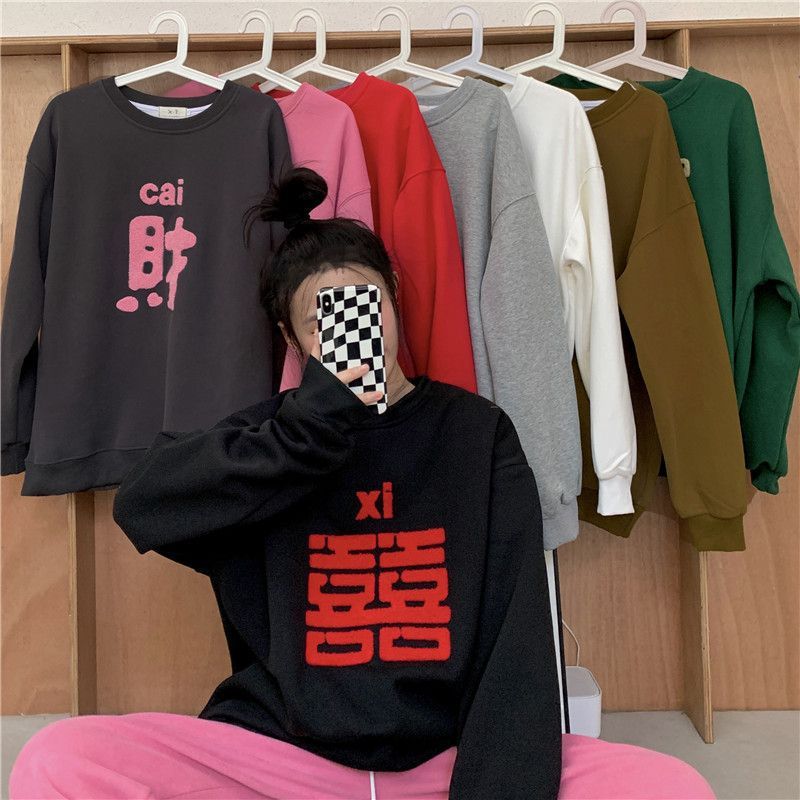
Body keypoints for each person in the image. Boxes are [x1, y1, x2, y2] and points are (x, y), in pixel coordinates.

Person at [9, 168, 716, 800]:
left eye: (366, 308)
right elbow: (145, 506)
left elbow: (516, 635)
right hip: (284, 760)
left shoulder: (474, 434)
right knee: (58, 760)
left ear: (395, 300)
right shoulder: (266, 440)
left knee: (673, 787)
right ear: (291, 338)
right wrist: (307, 429)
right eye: (325, 321)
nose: (354, 333)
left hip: (443, 759)